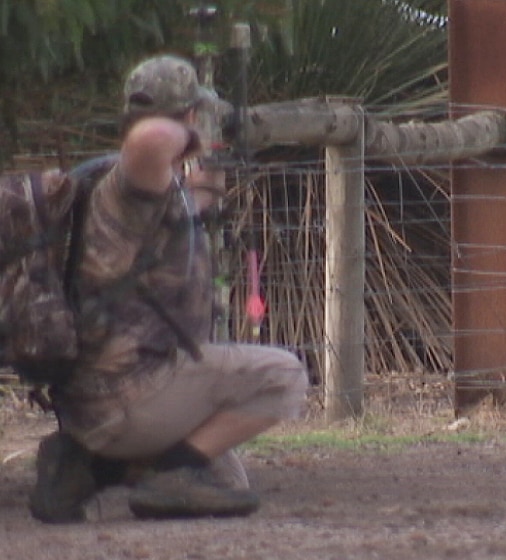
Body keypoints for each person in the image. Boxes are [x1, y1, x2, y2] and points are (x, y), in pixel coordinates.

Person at [28, 55, 309, 522]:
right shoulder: (126, 180)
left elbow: (194, 202)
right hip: (129, 389)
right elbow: (150, 138)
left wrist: (213, 155)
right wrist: (195, 129)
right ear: (184, 115)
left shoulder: (151, 193)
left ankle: (85, 468)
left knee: (227, 482)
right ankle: (166, 473)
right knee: (284, 375)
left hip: (100, 396)